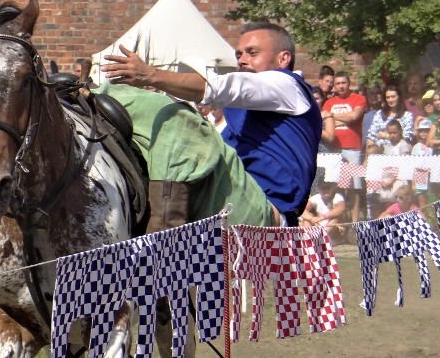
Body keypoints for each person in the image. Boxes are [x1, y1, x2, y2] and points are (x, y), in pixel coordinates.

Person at [102, 21, 321, 227]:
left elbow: (220, 87)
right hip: (236, 200)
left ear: (283, 59)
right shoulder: (248, 111)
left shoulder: (287, 84)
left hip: (267, 213)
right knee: (134, 108)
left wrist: (150, 75)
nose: (242, 60)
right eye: (239, 54)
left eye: (252, 53)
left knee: (175, 117)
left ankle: (163, 245)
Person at [323, 71, 366, 223]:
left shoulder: (358, 99)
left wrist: (331, 117)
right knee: (336, 186)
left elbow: (354, 117)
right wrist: (344, 120)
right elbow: (330, 121)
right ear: (334, 86)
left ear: (349, 83)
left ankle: (354, 223)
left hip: (352, 148)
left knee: (353, 186)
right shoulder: (328, 103)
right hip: (333, 149)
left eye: (344, 83)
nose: (341, 86)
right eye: (338, 83)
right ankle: (339, 222)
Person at [365, 85, 414, 155]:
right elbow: (371, 137)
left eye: (393, 97)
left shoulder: (407, 115)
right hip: (379, 150)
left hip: (399, 150)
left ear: (399, 97)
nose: (390, 100)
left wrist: (385, 135)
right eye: (388, 97)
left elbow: (406, 138)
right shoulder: (379, 114)